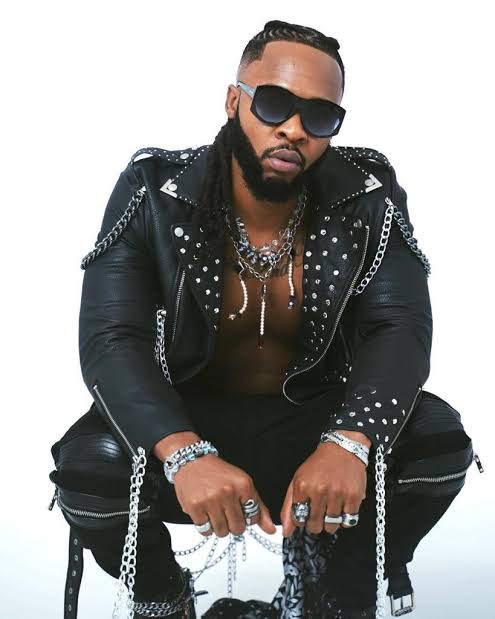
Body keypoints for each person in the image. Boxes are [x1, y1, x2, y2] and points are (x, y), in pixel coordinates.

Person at [48, 19, 482, 619]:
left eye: (320, 117)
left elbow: (399, 325)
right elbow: (111, 338)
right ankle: (162, 596)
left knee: (435, 441)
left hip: (316, 425)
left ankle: (335, 594)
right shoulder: (153, 190)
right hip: (189, 421)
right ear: (234, 100)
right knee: (91, 467)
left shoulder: (367, 193)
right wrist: (182, 453)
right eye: (274, 104)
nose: (293, 129)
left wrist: (350, 441)